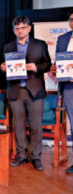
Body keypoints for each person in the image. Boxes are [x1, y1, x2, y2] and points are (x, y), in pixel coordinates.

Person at [1, 16, 51, 171]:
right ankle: (22, 155)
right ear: (14, 30)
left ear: (29, 28)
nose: (20, 31)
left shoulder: (40, 45)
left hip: (35, 90)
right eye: (17, 28)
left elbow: (48, 65)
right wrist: (4, 67)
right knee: (19, 126)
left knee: (36, 126)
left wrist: (36, 67)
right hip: (16, 90)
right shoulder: (8, 47)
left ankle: (36, 157)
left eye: (23, 27)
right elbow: (8, 67)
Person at [53, 11, 73, 174]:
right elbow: (58, 62)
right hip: (68, 88)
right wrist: (54, 68)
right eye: (72, 19)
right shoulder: (62, 39)